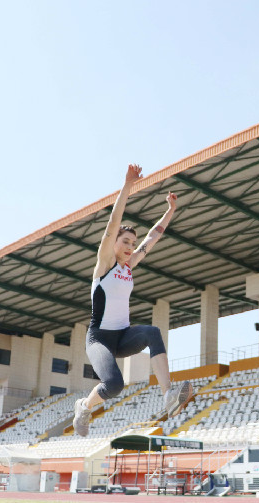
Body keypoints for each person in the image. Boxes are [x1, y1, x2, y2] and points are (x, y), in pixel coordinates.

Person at [73, 163, 193, 437]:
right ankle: (84, 405)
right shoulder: (104, 265)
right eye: (125, 242)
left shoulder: (129, 266)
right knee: (114, 385)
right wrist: (127, 185)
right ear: (113, 243)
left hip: (123, 336)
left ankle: (169, 396)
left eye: (131, 244)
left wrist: (170, 211)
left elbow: (152, 237)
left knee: (152, 332)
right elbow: (113, 223)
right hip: (100, 339)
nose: (129, 248)